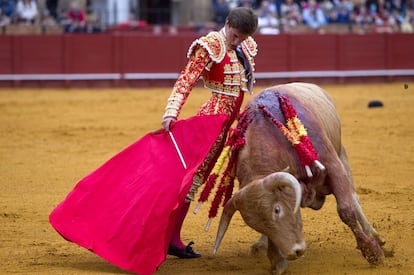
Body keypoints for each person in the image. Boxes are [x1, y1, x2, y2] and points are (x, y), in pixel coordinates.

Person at [161, 7, 258, 258]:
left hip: (229, 126)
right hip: (211, 122)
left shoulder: (243, 48)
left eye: (242, 38)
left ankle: (171, 238)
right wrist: (172, 110)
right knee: (192, 179)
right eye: (235, 35)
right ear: (226, 24)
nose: (237, 41)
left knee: (196, 179)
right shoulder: (210, 45)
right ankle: (169, 239)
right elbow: (186, 79)